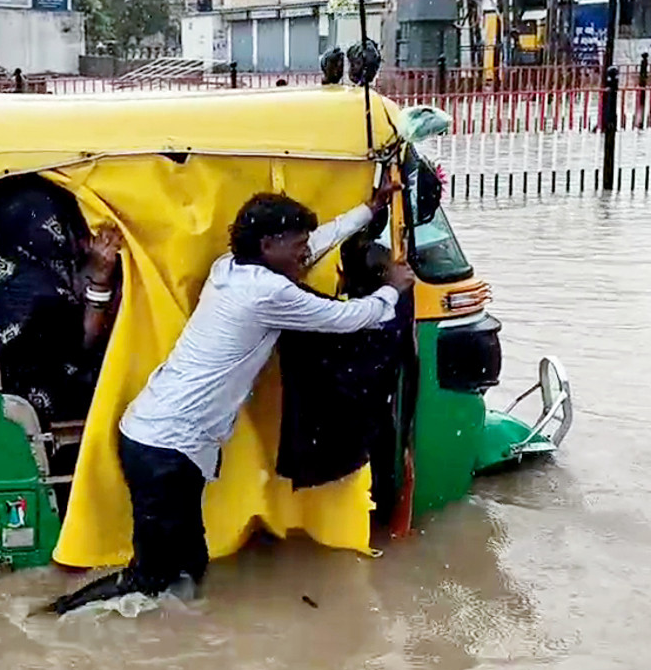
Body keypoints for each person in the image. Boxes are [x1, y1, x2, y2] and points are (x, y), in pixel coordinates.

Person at [48, 180, 413, 614]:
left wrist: (366, 213)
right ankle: (58, 617)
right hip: (166, 450)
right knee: (148, 579)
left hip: (159, 440)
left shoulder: (232, 269)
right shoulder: (267, 292)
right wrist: (392, 287)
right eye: (295, 245)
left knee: (188, 565)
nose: (304, 254)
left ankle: (181, 648)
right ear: (268, 244)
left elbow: (315, 244)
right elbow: (351, 318)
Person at [0, 178, 122, 427]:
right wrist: (100, 280)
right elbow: (84, 342)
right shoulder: (36, 294)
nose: (85, 240)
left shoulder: (40, 257)